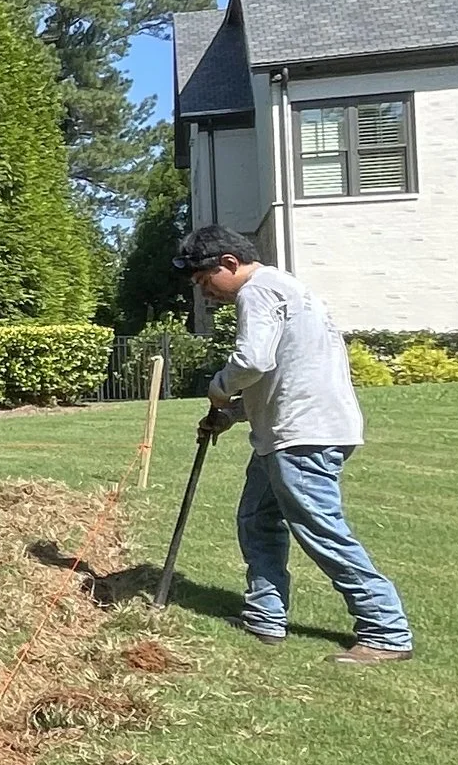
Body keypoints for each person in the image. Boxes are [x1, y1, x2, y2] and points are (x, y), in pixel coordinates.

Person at [173, 225, 413, 661]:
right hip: (292, 431)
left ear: (229, 263)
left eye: (205, 280)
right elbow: (286, 376)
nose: (206, 292)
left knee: (322, 531)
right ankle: (265, 616)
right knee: (257, 519)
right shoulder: (288, 289)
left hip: (301, 438)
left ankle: (385, 630)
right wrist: (231, 414)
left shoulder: (258, 292)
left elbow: (252, 361)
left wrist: (219, 388)